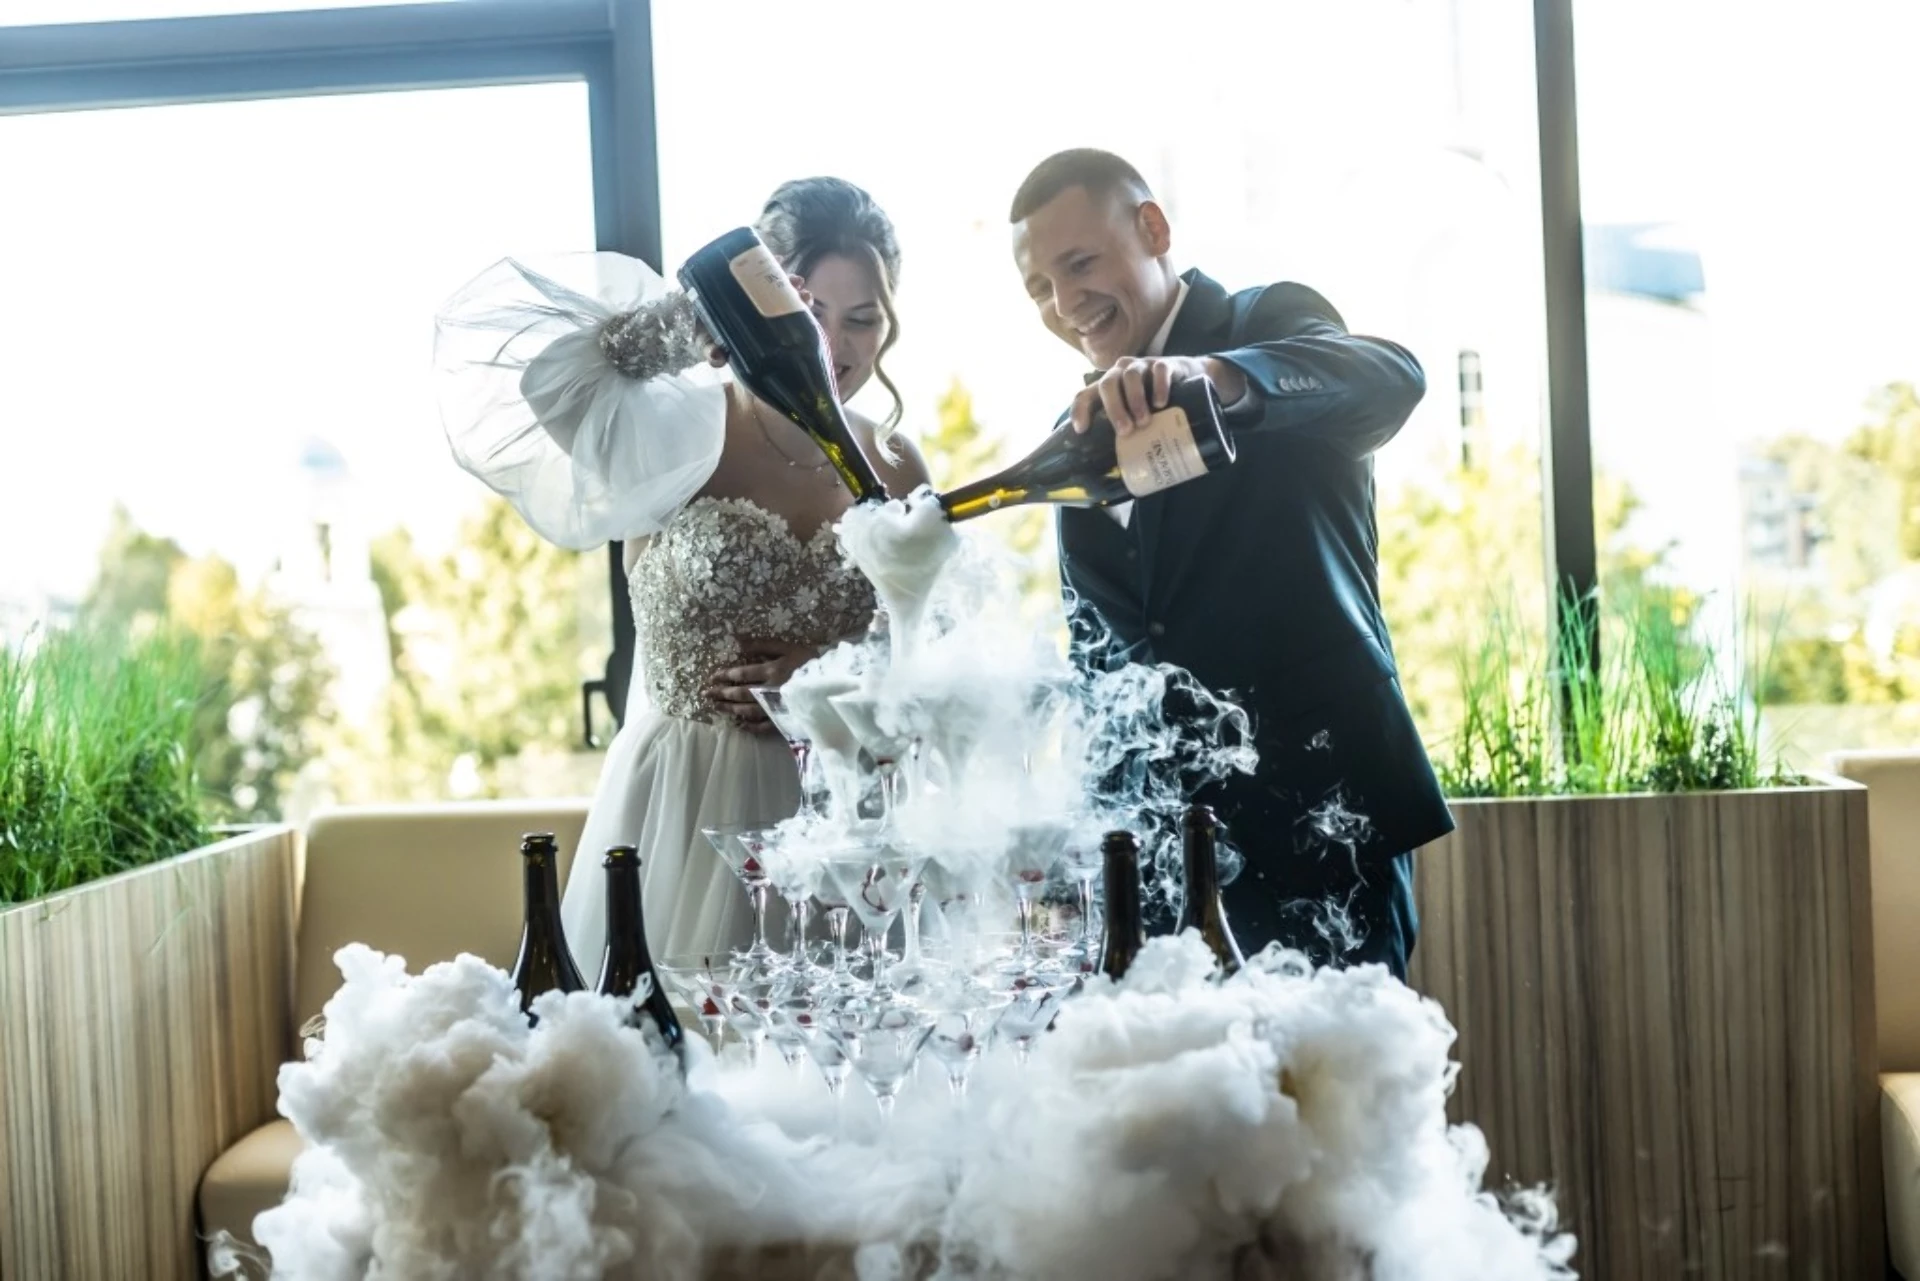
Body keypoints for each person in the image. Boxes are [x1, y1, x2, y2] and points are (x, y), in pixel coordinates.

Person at [437, 177, 928, 966]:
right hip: (682, 804)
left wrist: (833, 678)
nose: (833, 346)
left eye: (862, 319)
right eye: (809, 314)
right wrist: (691, 321)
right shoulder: (674, 427)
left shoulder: (897, 462)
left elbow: (931, 645)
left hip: (845, 819)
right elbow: (544, 383)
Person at [1007, 148, 1452, 981]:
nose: (1065, 303)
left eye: (1081, 264)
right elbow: (1100, 658)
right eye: (1040, 288)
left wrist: (1210, 378)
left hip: (1319, 834)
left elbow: (1393, 379)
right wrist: (1080, 853)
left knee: (1332, 1070)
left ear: (1153, 229)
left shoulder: (1265, 324)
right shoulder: (1076, 435)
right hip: (1156, 871)